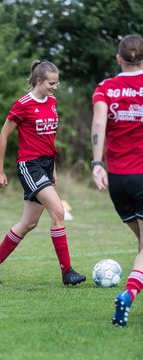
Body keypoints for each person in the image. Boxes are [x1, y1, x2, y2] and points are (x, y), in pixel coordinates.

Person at [0, 60, 86, 287]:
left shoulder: (53, 102)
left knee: (29, 223)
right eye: (51, 83)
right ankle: (67, 272)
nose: (54, 87)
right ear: (39, 81)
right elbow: (3, 136)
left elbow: (48, 138)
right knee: (58, 212)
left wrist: (54, 168)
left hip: (46, 165)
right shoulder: (23, 104)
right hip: (30, 165)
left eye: (56, 83)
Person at [91, 34, 143, 327]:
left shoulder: (106, 88)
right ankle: (129, 295)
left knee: (142, 244)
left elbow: (99, 122)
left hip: (119, 179)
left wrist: (97, 164)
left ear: (118, 59)